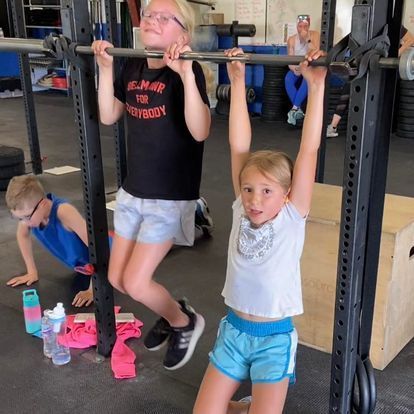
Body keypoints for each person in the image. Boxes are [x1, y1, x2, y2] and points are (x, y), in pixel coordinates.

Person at [194, 47, 327, 414]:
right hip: (234, 332)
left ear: (285, 195)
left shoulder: (291, 216)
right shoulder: (241, 208)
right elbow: (238, 145)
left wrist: (315, 88)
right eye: (249, 189)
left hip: (274, 340)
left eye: (266, 191)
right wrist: (237, 80)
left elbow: (309, 150)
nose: (254, 200)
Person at [91, 0, 210, 371]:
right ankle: (177, 311)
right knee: (115, 277)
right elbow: (109, 116)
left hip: (169, 197)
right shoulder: (132, 63)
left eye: (164, 17)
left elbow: (200, 130)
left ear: (183, 33)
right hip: (132, 192)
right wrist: (106, 69)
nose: (152, 21)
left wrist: (187, 74)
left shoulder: (185, 75)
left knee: (137, 283)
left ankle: (184, 322)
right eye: (148, 15)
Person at [5, 175, 96, 308]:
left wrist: (94, 290)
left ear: (42, 204)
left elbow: (97, 247)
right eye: (19, 218)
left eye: (26, 217)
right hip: (85, 267)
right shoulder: (31, 215)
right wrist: (31, 271)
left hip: (110, 262)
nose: (24, 222)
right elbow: (22, 235)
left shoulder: (64, 212)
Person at [326, 25, 414, 138]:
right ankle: (333, 126)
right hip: (367, 63)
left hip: (384, 67)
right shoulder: (366, 24)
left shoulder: (393, 26)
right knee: (349, 86)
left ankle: (372, 130)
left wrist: (394, 55)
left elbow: (411, 39)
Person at [285, 14, 320, 126]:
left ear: (308, 26)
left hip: (310, 66)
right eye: (300, 26)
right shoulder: (291, 40)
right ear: (297, 26)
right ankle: (298, 110)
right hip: (297, 67)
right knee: (288, 79)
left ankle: (294, 109)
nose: (302, 29)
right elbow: (290, 59)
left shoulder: (314, 35)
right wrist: (294, 68)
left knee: (307, 79)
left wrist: (307, 39)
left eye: (305, 26)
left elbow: (315, 51)